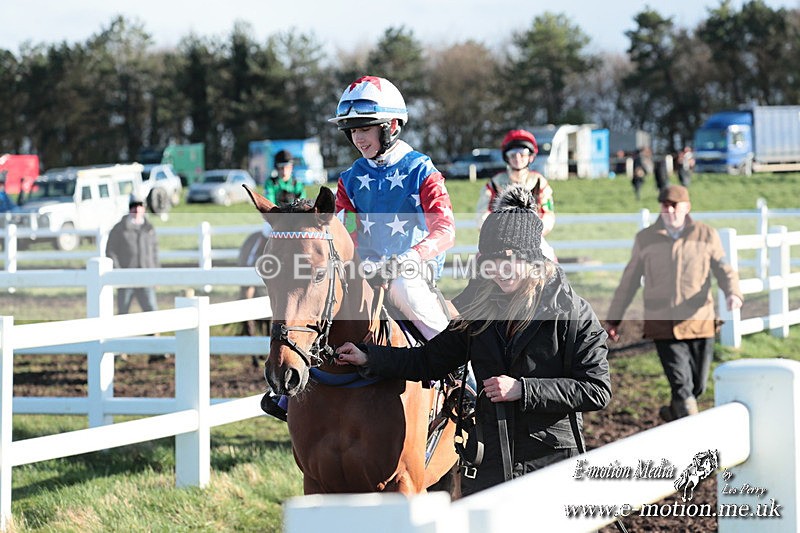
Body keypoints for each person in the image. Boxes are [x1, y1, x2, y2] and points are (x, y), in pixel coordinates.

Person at [336, 185, 611, 495]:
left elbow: (596, 389)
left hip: (551, 463)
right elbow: (428, 361)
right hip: (491, 463)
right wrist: (370, 357)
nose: (499, 271)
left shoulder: (571, 312)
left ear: (532, 259)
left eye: (509, 260)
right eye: (490, 261)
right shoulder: (480, 309)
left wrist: (523, 389)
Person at [331, 75, 455, 341]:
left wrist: (408, 259)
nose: (358, 139)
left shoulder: (422, 170)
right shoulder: (348, 179)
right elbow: (348, 229)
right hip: (365, 268)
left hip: (414, 269)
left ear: (392, 126)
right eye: (353, 131)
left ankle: (455, 363)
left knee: (403, 286)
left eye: (365, 129)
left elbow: (445, 230)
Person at [604, 185, 743, 422]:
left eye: (674, 206)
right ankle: (695, 433)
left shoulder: (706, 234)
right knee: (682, 385)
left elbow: (723, 269)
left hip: (700, 320)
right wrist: (614, 319)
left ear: (687, 207)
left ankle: (672, 412)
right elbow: (629, 281)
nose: (669, 211)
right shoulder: (646, 238)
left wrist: (733, 293)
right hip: (663, 323)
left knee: (696, 386)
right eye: (665, 206)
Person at [476, 129, 556, 261]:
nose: (517, 158)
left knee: (550, 259)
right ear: (506, 157)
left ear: (531, 157)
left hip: (532, 238)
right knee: (479, 263)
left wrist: (534, 232)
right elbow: (482, 213)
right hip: (499, 238)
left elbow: (548, 214)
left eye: (522, 154)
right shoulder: (494, 183)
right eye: (513, 154)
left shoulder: (539, 182)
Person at [106, 193, 160, 314]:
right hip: (126, 277)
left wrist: (156, 274)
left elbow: (154, 253)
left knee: (151, 310)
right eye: (133, 206)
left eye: (140, 205)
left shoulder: (149, 228)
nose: (136, 209)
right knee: (123, 311)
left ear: (144, 207)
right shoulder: (119, 228)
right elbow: (111, 252)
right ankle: (122, 333)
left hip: (146, 276)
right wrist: (118, 272)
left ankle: (154, 333)